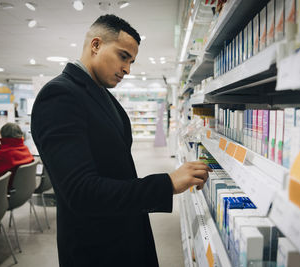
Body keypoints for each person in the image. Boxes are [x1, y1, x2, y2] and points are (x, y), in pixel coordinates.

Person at [31, 14, 211, 267]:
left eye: (132, 61)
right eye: (123, 56)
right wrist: (166, 184)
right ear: (96, 45)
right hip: (97, 249)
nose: (127, 69)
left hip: (123, 234)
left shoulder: (99, 93)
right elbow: (81, 192)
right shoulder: (60, 95)